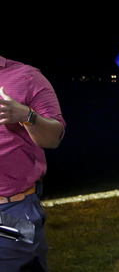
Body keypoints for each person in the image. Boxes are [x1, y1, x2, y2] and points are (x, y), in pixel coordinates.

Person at [1, 55, 66, 272]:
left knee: (23, 266)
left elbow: (53, 138)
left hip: (11, 211)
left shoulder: (27, 76)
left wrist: (26, 115)